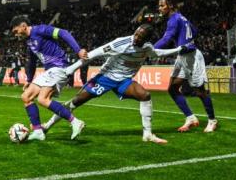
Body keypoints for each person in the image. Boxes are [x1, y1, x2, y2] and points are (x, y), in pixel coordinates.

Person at [42, 24, 190, 144]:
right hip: (105, 78)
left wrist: (178, 49)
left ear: (146, 40)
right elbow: (95, 53)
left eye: (140, 36)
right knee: (76, 101)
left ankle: (148, 134)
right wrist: (70, 70)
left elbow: (157, 53)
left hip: (123, 81)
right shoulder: (121, 43)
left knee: (145, 95)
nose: (136, 37)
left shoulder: (147, 47)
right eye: (136, 33)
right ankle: (47, 126)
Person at [9, 15, 88, 141]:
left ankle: (75, 122)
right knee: (26, 96)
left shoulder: (40, 30)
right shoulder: (29, 41)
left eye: (15, 31)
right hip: (50, 71)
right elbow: (31, 61)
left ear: (23, 26)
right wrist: (29, 80)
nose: (15, 34)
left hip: (59, 67)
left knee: (42, 99)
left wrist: (78, 50)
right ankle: (38, 131)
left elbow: (63, 33)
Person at [155, 0, 218, 133]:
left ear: (170, 6)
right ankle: (190, 117)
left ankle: (212, 120)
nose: (159, 8)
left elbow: (166, 39)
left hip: (192, 57)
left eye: (162, 5)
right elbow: (194, 31)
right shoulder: (181, 17)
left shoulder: (173, 20)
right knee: (172, 88)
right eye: (159, 6)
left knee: (200, 91)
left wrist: (151, 50)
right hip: (182, 55)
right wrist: (184, 40)